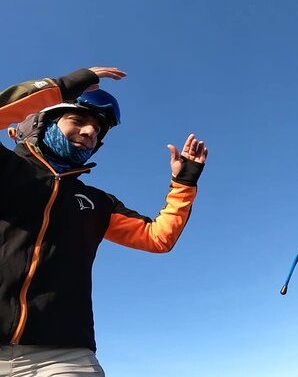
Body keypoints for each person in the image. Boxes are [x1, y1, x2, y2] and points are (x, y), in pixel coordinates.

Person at [0, 67, 207, 376]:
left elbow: (157, 238)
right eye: (78, 120)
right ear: (43, 122)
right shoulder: (7, 168)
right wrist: (64, 86)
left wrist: (184, 183)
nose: (90, 132)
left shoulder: (98, 202)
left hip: (63, 355)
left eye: (97, 129)